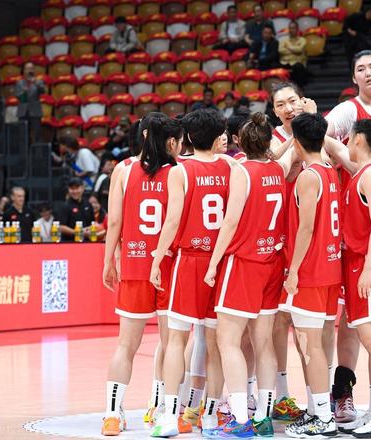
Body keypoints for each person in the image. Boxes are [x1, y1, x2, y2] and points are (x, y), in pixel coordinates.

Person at [203, 113, 295, 437]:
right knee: (263, 343)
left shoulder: (241, 171)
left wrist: (213, 263)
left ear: (240, 142)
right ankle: (264, 418)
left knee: (227, 341)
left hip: (244, 262)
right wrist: (295, 133)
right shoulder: (277, 170)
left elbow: (230, 222)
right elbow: (288, 153)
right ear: (268, 141)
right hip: (272, 262)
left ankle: (240, 419)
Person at [147, 109, 231, 437]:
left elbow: (172, 221)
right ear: (219, 134)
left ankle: (169, 415)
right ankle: (209, 416)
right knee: (215, 344)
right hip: (221, 263)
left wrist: (157, 259)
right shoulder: (233, 167)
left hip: (190, 261)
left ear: (190, 138)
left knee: (176, 340)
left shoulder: (180, 171)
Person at [100, 116, 183, 436]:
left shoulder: (123, 169)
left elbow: (114, 222)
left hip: (134, 264)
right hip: (168, 266)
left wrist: (109, 260)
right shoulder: (177, 171)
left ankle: (111, 414)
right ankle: (159, 407)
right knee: (170, 342)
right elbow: (175, 220)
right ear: (170, 141)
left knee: (126, 345)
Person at [322, 118, 371, 437]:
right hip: (356, 264)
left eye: (349, 137)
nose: (345, 142)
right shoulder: (361, 173)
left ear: (358, 139)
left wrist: (368, 268)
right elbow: (336, 149)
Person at [278, 113, 340, 437]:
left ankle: (324, 418)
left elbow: (306, 229)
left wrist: (293, 271)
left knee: (310, 345)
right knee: (316, 346)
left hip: (311, 272)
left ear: (297, 142)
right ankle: (318, 410)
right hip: (330, 268)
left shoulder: (308, 177)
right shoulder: (330, 171)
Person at [16, 62, 45, 144]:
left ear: (34, 70)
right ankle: (24, 152)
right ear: (24, 71)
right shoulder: (19, 83)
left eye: (31, 68)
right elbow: (19, 97)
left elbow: (42, 90)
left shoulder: (38, 82)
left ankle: (38, 152)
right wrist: (25, 91)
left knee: (37, 135)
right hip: (23, 112)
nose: (30, 70)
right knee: (23, 136)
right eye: (28, 69)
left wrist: (34, 81)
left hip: (35, 111)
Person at [279, 21, 308, 87]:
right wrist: (294, 50)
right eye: (290, 28)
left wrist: (288, 47)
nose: (291, 30)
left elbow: (299, 49)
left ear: (297, 29)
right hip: (285, 62)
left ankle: (299, 88)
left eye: (293, 28)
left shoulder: (302, 40)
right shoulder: (283, 40)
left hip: (297, 62)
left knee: (298, 67)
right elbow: (280, 50)